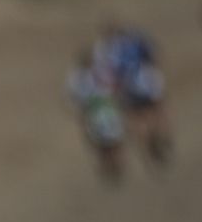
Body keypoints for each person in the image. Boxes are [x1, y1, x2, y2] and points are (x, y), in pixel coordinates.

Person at [95, 21, 172, 166]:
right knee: (157, 110)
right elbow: (153, 53)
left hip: (129, 86)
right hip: (146, 80)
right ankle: (162, 138)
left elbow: (110, 74)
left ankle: (150, 145)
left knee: (137, 118)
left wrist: (115, 90)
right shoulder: (134, 39)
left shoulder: (109, 50)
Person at [66, 47, 125, 183]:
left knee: (111, 142)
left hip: (105, 111)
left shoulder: (96, 74)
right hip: (97, 113)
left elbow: (115, 87)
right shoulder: (78, 77)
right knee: (103, 144)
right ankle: (110, 166)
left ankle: (114, 166)